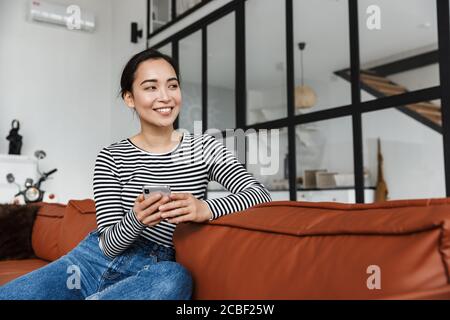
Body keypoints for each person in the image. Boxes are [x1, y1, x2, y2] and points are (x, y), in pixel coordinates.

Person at [0, 48, 272, 300]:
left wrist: (205, 208)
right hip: (88, 262)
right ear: (129, 98)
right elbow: (107, 245)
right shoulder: (111, 156)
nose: (165, 97)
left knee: (175, 279)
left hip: (154, 269)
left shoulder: (205, 147)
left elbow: (259, 194)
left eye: (172, 85)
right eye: (150, 87)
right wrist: (137, 219)